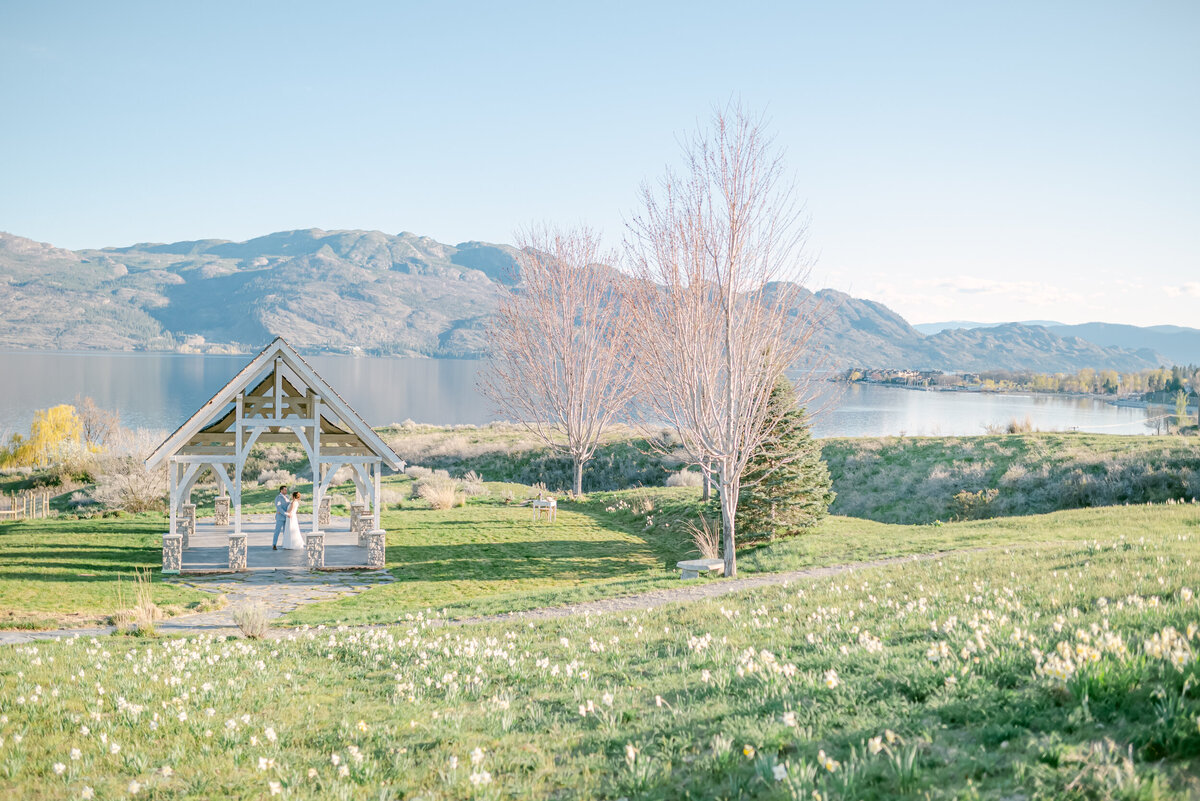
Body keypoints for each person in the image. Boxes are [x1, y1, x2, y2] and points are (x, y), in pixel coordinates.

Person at [272, 485, 289, 551]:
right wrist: (285, 513)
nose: (286, 491)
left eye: (286, 489)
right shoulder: (278, 498)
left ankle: (285, 544)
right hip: (280, 517)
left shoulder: (287, 497)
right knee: (277, 531)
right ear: (281, 490)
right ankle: (274, 544)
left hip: (286, 517)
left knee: (286, 531)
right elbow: (279, 507)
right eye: (285, 490)